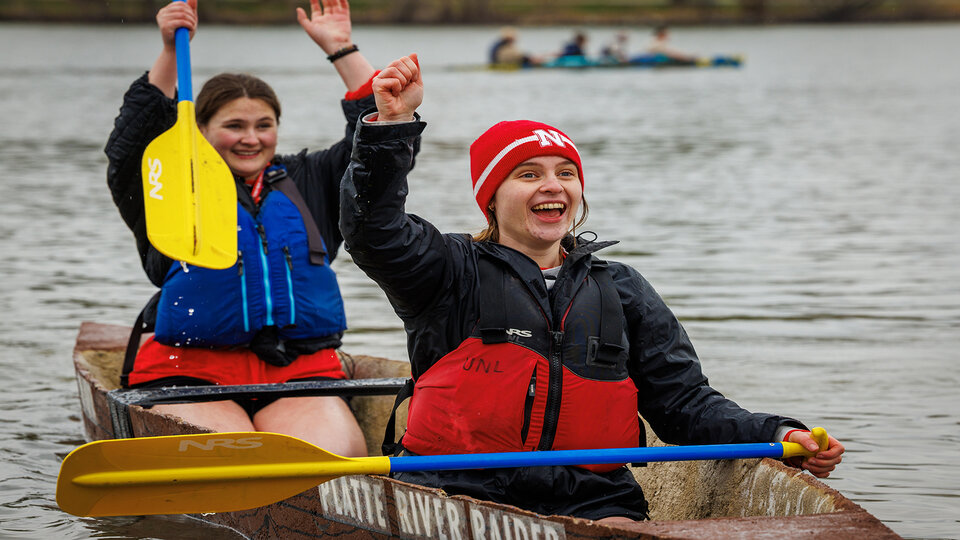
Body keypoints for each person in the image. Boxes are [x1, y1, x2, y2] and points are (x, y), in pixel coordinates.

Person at [340, 54, 845, 521]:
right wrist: (392, 127)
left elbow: (685, 404)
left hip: (593, 500)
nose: (553, 185)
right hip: (450, 494)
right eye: (528, 174)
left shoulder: (621, 286)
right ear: (491, 199)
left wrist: (777, 432)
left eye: (565, 172)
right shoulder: (446, 269)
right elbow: (372, 228)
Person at [104, 0, 374, 457]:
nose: (252, 138)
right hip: (189, 368)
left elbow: (381, 138)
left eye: (263, 125)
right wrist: (171, 50)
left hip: (298, 368)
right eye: (234, 125)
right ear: (200, 129)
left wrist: (341, 50)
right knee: (232, 454)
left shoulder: (316, 180)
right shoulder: (169, 185)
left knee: (336, 459)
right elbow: (129, 146)